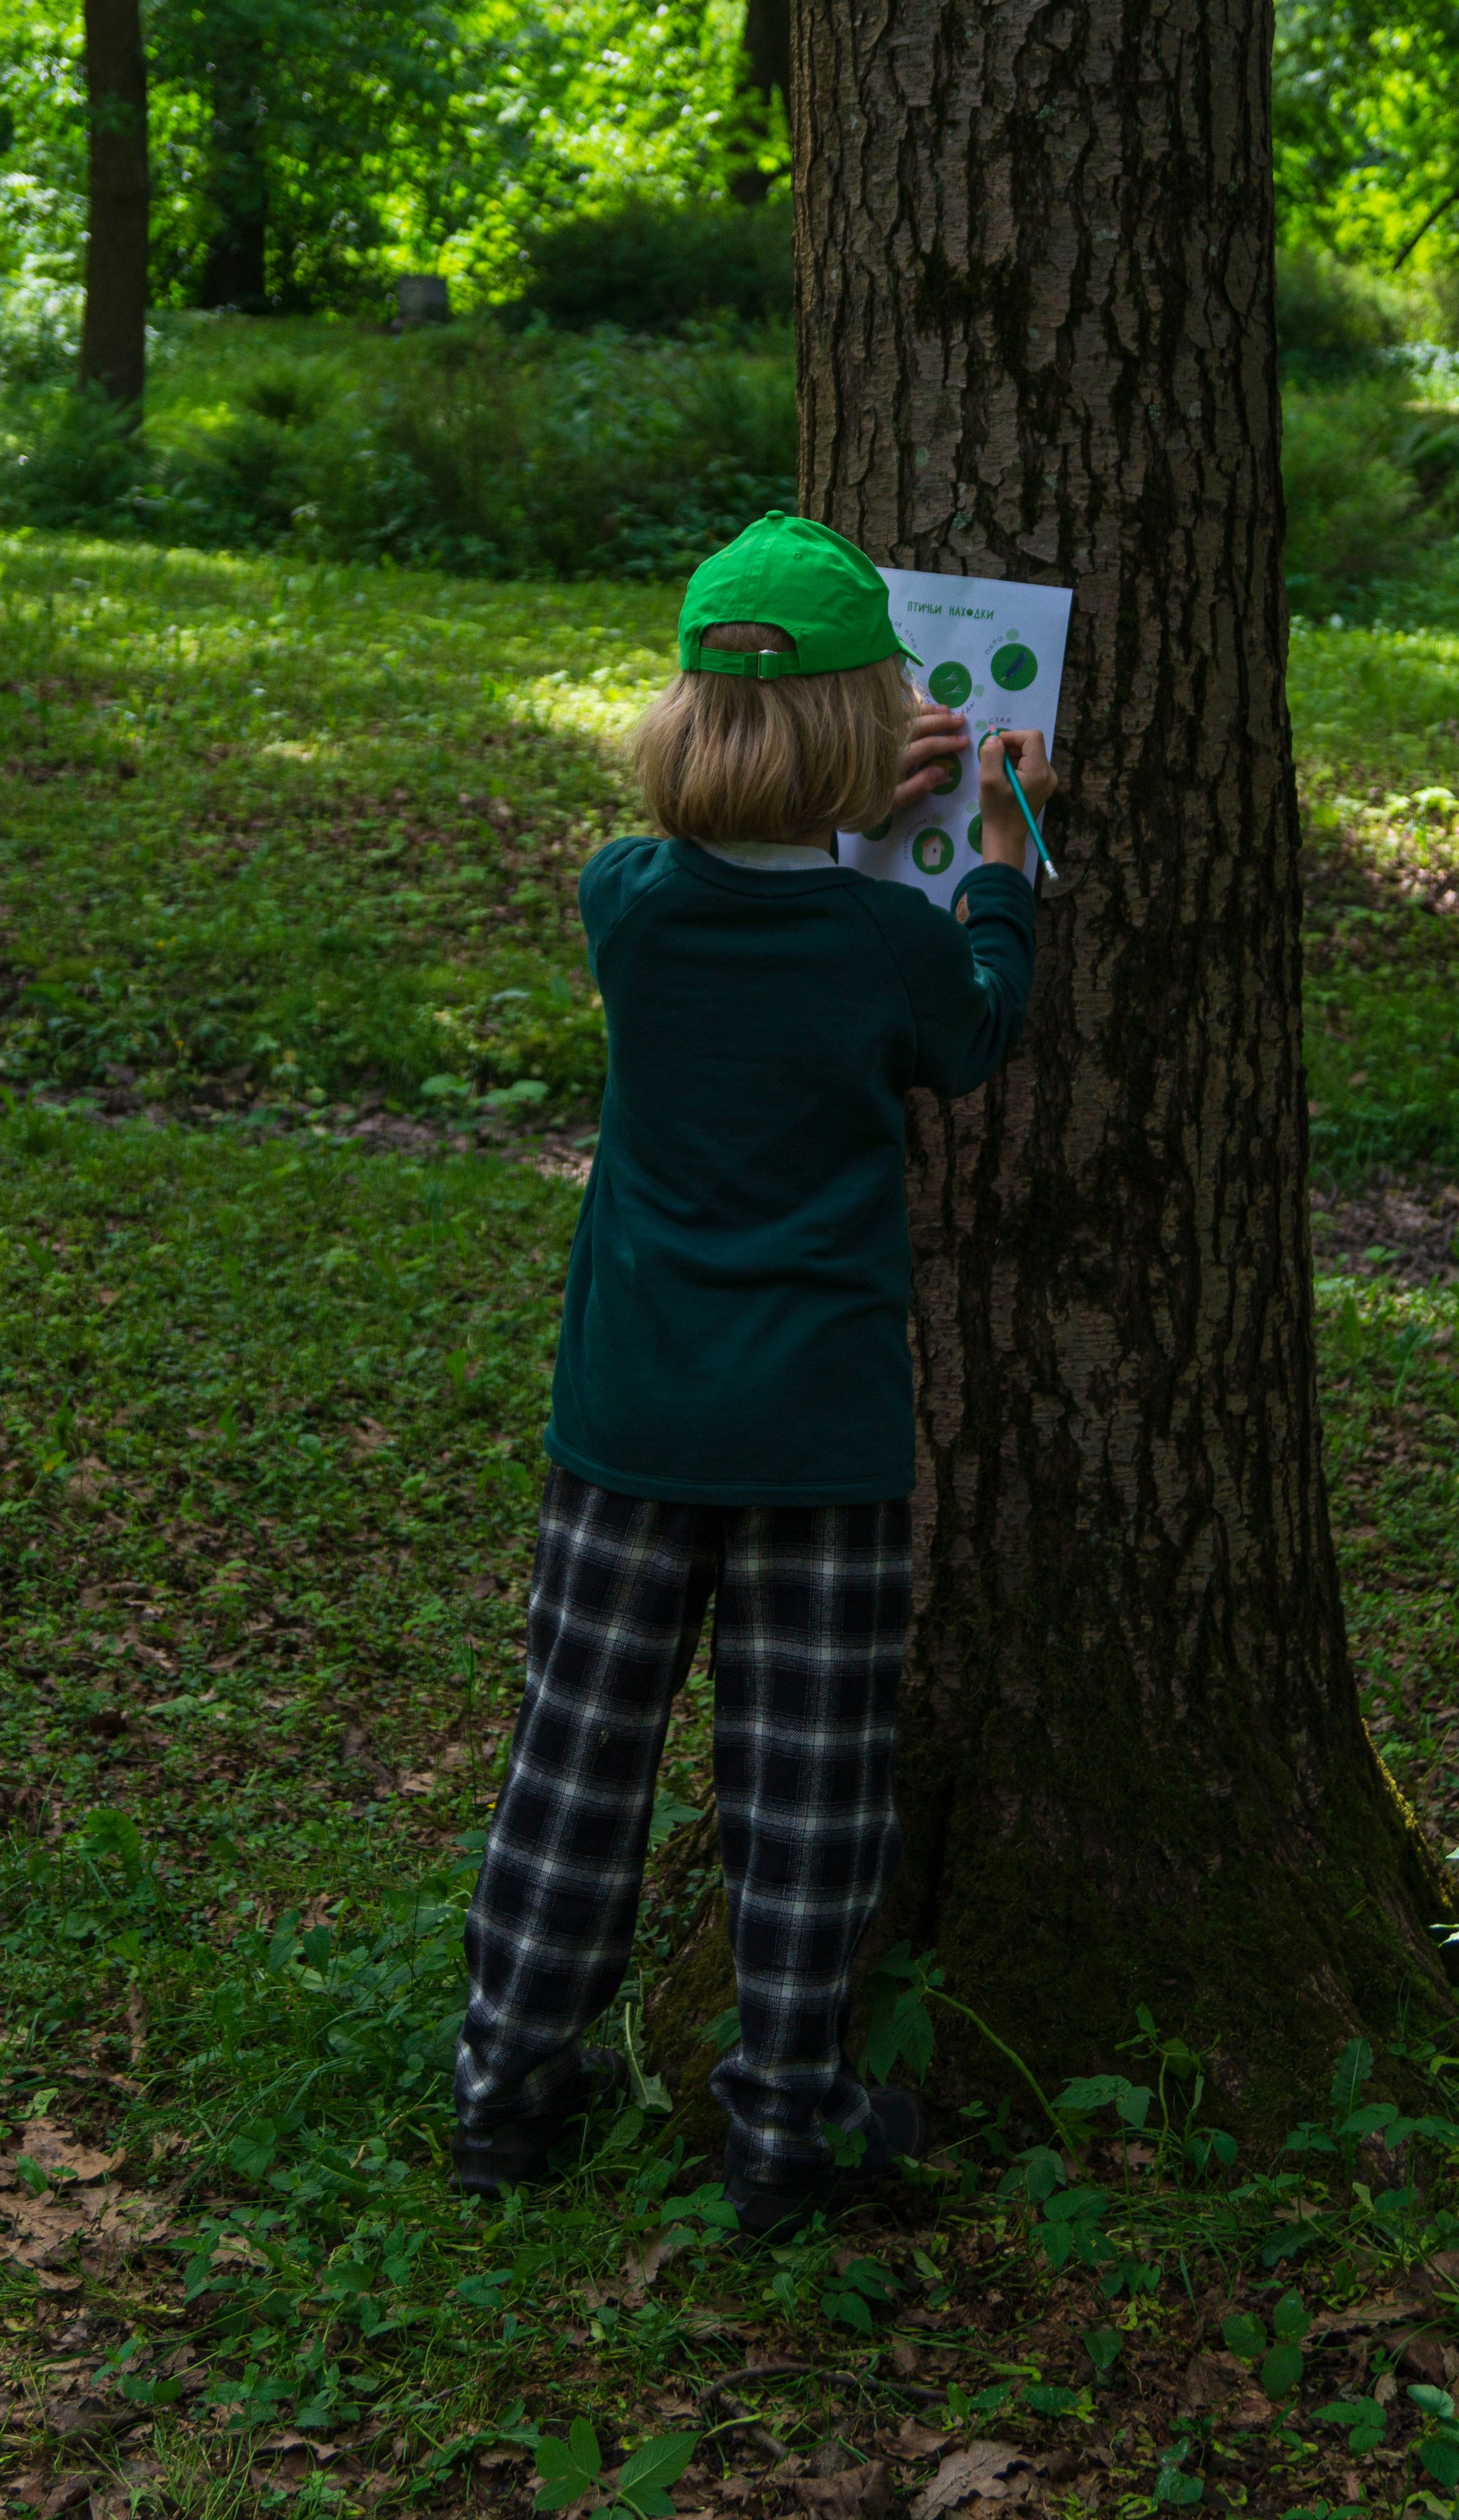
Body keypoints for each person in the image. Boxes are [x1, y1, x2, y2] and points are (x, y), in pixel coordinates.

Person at [451, 510, 1058, 2235]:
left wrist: (834, 813)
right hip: (819, 1433)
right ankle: (787, 2128)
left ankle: (508, 2091)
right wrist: (993, 865)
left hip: (630, 1416)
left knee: (576, 1763)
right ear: (873, 732)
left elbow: (735, 883)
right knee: (803, 1800)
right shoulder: (889, 945)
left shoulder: (623, 904)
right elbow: (971, 1029)